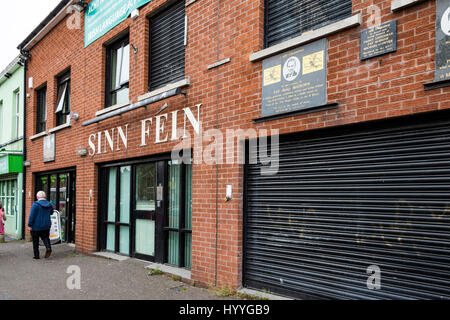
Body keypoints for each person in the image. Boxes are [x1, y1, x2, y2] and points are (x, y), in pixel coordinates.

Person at [28, 191, 53, 260]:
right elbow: (51, 212)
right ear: (45, 197)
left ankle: (36, 256)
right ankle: (48, 248)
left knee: (35, 241)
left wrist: (29, 225)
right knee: (45, 238)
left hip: (36, 226)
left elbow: (31, 216)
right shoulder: (49, 204)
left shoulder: (35, 204)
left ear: (37, 197)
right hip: (46, 225)